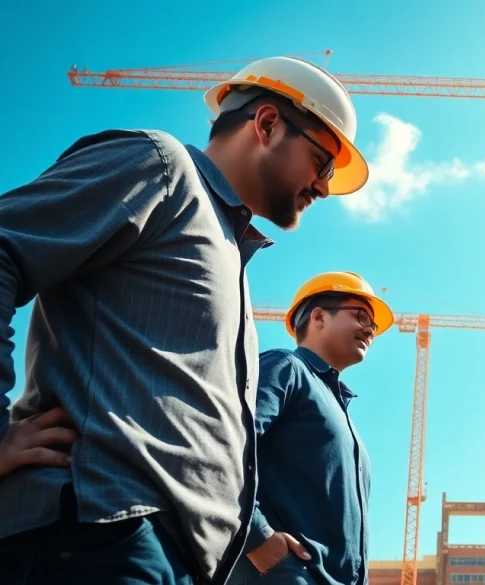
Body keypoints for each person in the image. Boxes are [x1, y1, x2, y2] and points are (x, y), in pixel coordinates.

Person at [0, 55, 370, 585]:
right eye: (321, 161)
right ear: (267, 124)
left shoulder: (228, 253)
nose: (325, 185)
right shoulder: (161, 167)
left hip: (168, 555)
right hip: (102, 535)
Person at [226, 272, 392, 585]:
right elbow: (223, 447)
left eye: (374, 325)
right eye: (360, 316)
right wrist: (258, 538)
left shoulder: (340, 410)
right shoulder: (284, 369)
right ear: (318, 316)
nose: (370, 329)